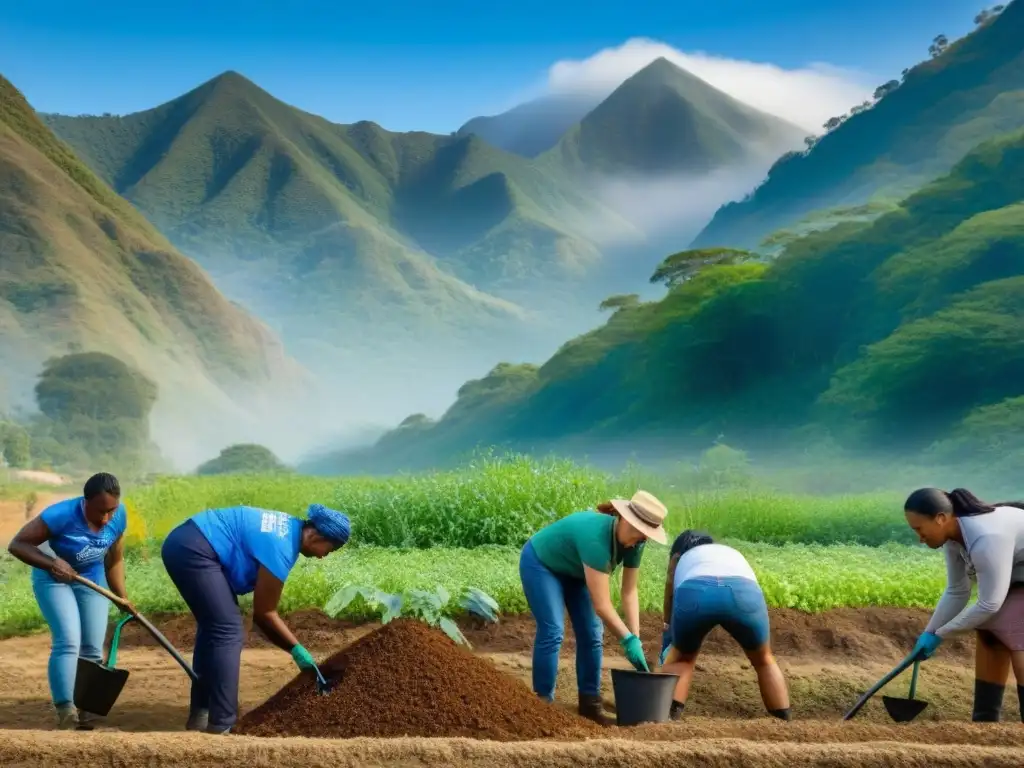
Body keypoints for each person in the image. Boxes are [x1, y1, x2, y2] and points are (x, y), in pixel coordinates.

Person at [160, 502, 351, 734]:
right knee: (227, 630)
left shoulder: (287, 528)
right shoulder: (281, 546)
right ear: (315, 535)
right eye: (328, 550)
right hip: (195, 548)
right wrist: (298, 651)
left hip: (186, 540)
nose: (322, 557)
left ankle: (203, 713)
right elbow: (264, 614)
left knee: (214, 627)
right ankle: (223, 723)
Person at [518, 489, 669, 725]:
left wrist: (636, 637)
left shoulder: (636, 543)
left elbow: (629, 591)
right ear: (622, 518)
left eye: (643, 536)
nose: (636, 540)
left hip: (577, 571)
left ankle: (590, 704)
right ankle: (542, 705)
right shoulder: (596, 540)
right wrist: (626, 640)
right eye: (635, 532)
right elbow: (602, 605)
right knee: (553, 630)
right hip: (542, 564)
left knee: (592, 634)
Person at [7, 472, 132, 730]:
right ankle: (66, 711)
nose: (106, 518)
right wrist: (53, 563)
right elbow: (18, 545)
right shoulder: (60, 515)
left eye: (111, 510)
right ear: (85, 501)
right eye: (100, 511)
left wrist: (122, 596)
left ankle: (88, 712)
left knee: (93, 648)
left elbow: (114, 560)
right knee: (68, 640)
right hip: (53, 577)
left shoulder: (118, 516)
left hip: (91, 574)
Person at [903, 487, 1024, 722]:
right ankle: (984, 722)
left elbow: (989, 604)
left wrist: (941, 635)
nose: (919, 538)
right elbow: (958, 591)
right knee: (991, 633)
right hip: (1019, 572)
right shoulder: (953, 537)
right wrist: (929, 632)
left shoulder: (987, 538)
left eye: (919, 529)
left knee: (1018, 637)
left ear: (940, 518)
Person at [657, 530, 790, 721]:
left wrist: (669, 632)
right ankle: (784, 720)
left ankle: (666, 719)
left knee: (682, 660)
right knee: (764, 660)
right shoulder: (728, 553)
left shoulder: (681, 558)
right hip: (744, 593)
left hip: (696, 592)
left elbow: (670, 587)